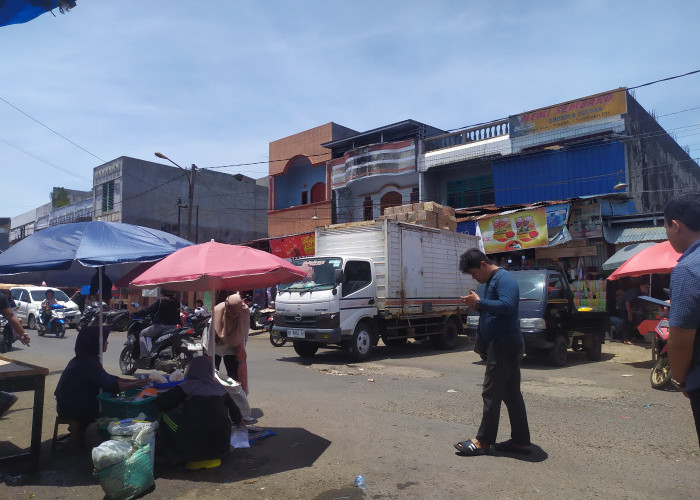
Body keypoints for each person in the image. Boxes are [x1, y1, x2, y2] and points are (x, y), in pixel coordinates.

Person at [453, 248, 531, 456]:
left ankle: (483, 441)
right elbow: (492, 309)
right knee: (511, 393)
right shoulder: (489, 283)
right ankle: (521, 442)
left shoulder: (504, 279)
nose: (473, 277)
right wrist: (478, 306)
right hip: (500, 344)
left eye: (473, 273)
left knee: (491, 392)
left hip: (505, 344)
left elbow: (507, 305)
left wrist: (480, 303)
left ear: (483, 265)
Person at [156, 356, 243, 465]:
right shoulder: (220, 389)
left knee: (163, 413)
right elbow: (236, 415)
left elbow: (161, 403)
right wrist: (239, 422)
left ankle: (168, 449)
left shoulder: (186, 387)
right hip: (221, 450)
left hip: (189, 454)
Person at [54, 326, 148, 427]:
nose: (107, 343)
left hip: (68, 404)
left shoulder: (86, 358)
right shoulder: (88, 363)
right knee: (111, 411)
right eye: (105, 340)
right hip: (71, 407)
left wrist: (134, 382)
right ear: (95, 342)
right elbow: (111, 386)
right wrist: (135, 384)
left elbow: (108, 377)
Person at [664, 193, 700, 447]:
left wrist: (680, 378)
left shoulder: (688, 269)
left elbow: (679, 341)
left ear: (675, 225)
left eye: (666, 227)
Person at [203, 293, 249, 393]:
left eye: (237, 313)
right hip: (215, 347)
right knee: (213, 376)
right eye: (232, 313)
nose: (234, 316)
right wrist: (211, 363)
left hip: (233, 347)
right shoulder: (215, 319)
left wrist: (241, 354)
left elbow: (244, 335)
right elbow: (210, 342)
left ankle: (234, 398)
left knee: (234, 377)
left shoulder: (243, 315)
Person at [0, 289, 30, 418]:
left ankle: (5, 398)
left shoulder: (1, 297)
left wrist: (22, 333)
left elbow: (10, 315)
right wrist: (22, 333)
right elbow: (10, 316)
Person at [136, 289, 180, 358]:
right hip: (174, 327)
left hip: (161, 326)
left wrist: (136, 314)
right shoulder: (176, 301)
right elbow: (178, 315)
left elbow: (149, 310)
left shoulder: (160, 300)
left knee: (142, 334)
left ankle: (144, 355)